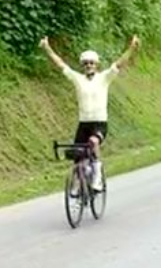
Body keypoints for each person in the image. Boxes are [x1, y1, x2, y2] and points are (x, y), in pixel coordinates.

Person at [40, 34, 140, 191]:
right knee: (77, 157)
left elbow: (119, 64)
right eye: (86, 63)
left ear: (97, 65)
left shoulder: (104, 78)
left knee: (93, 142)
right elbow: (60, 65)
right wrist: (47, 48)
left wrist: (132, 48)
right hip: (83, 124)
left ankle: (97, 176)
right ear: (82, 65)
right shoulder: (77, 78)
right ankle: (79, 181)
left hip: (99, 124)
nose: (88, 65)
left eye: (91, 63)